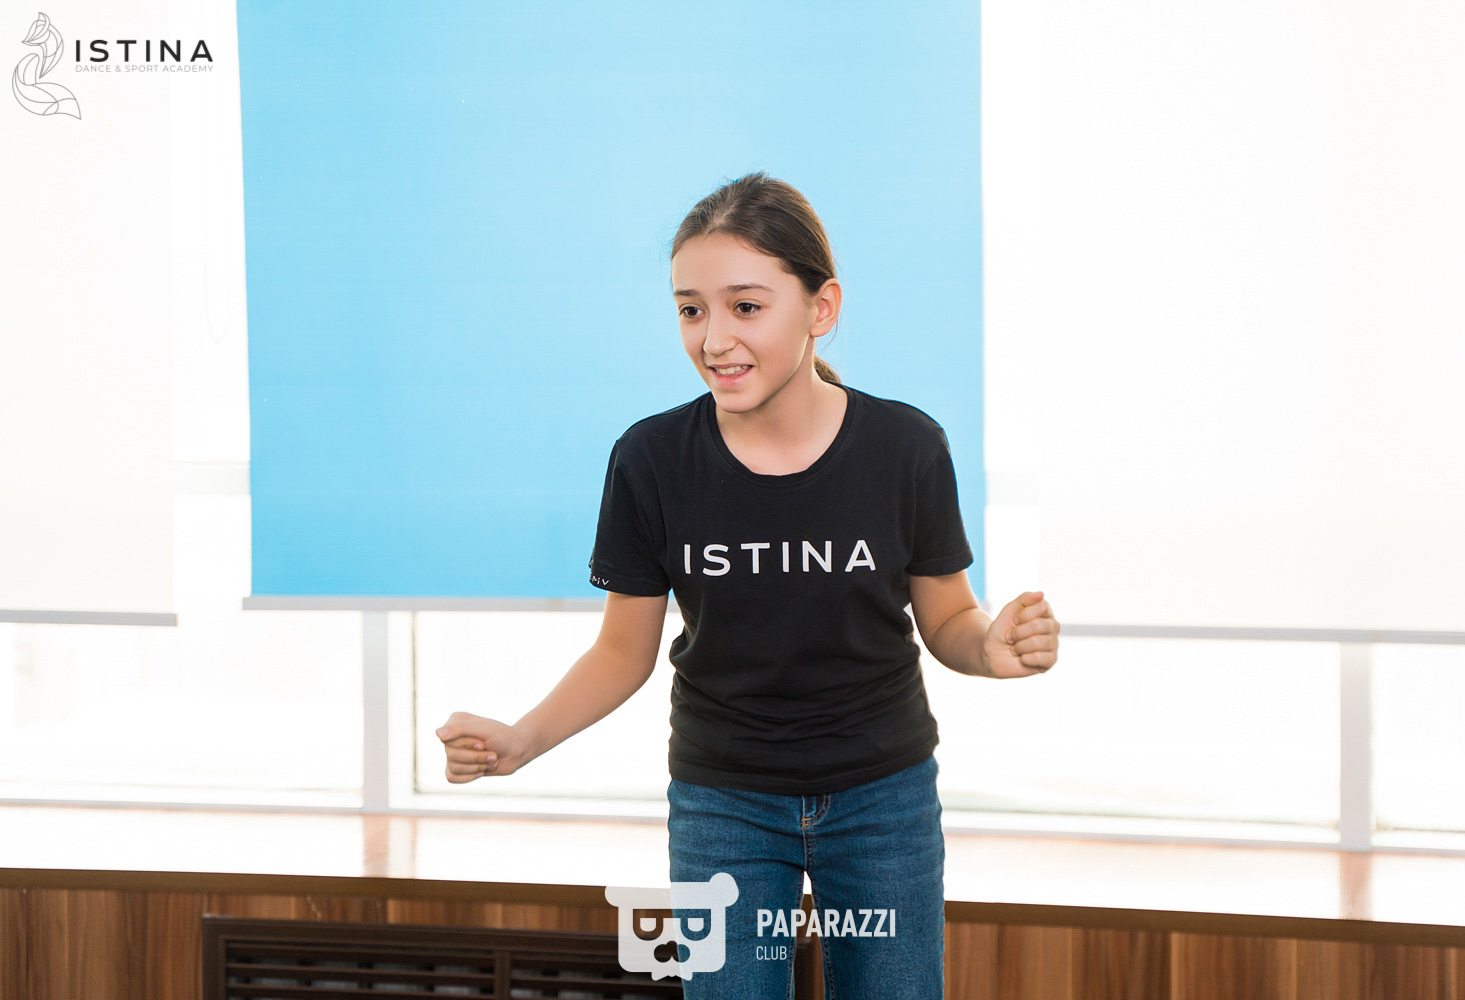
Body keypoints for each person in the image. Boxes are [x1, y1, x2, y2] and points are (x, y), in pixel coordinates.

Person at [436, 171, 1061, 999]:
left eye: (746, 306)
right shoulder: (651, 460)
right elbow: (622, 652)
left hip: (883, 801)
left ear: (821, 308)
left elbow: (947, 618)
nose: (714, 338)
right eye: (691, 310)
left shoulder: (905, 447)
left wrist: (991, 649)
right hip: (722, 805)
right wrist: (522, 739)